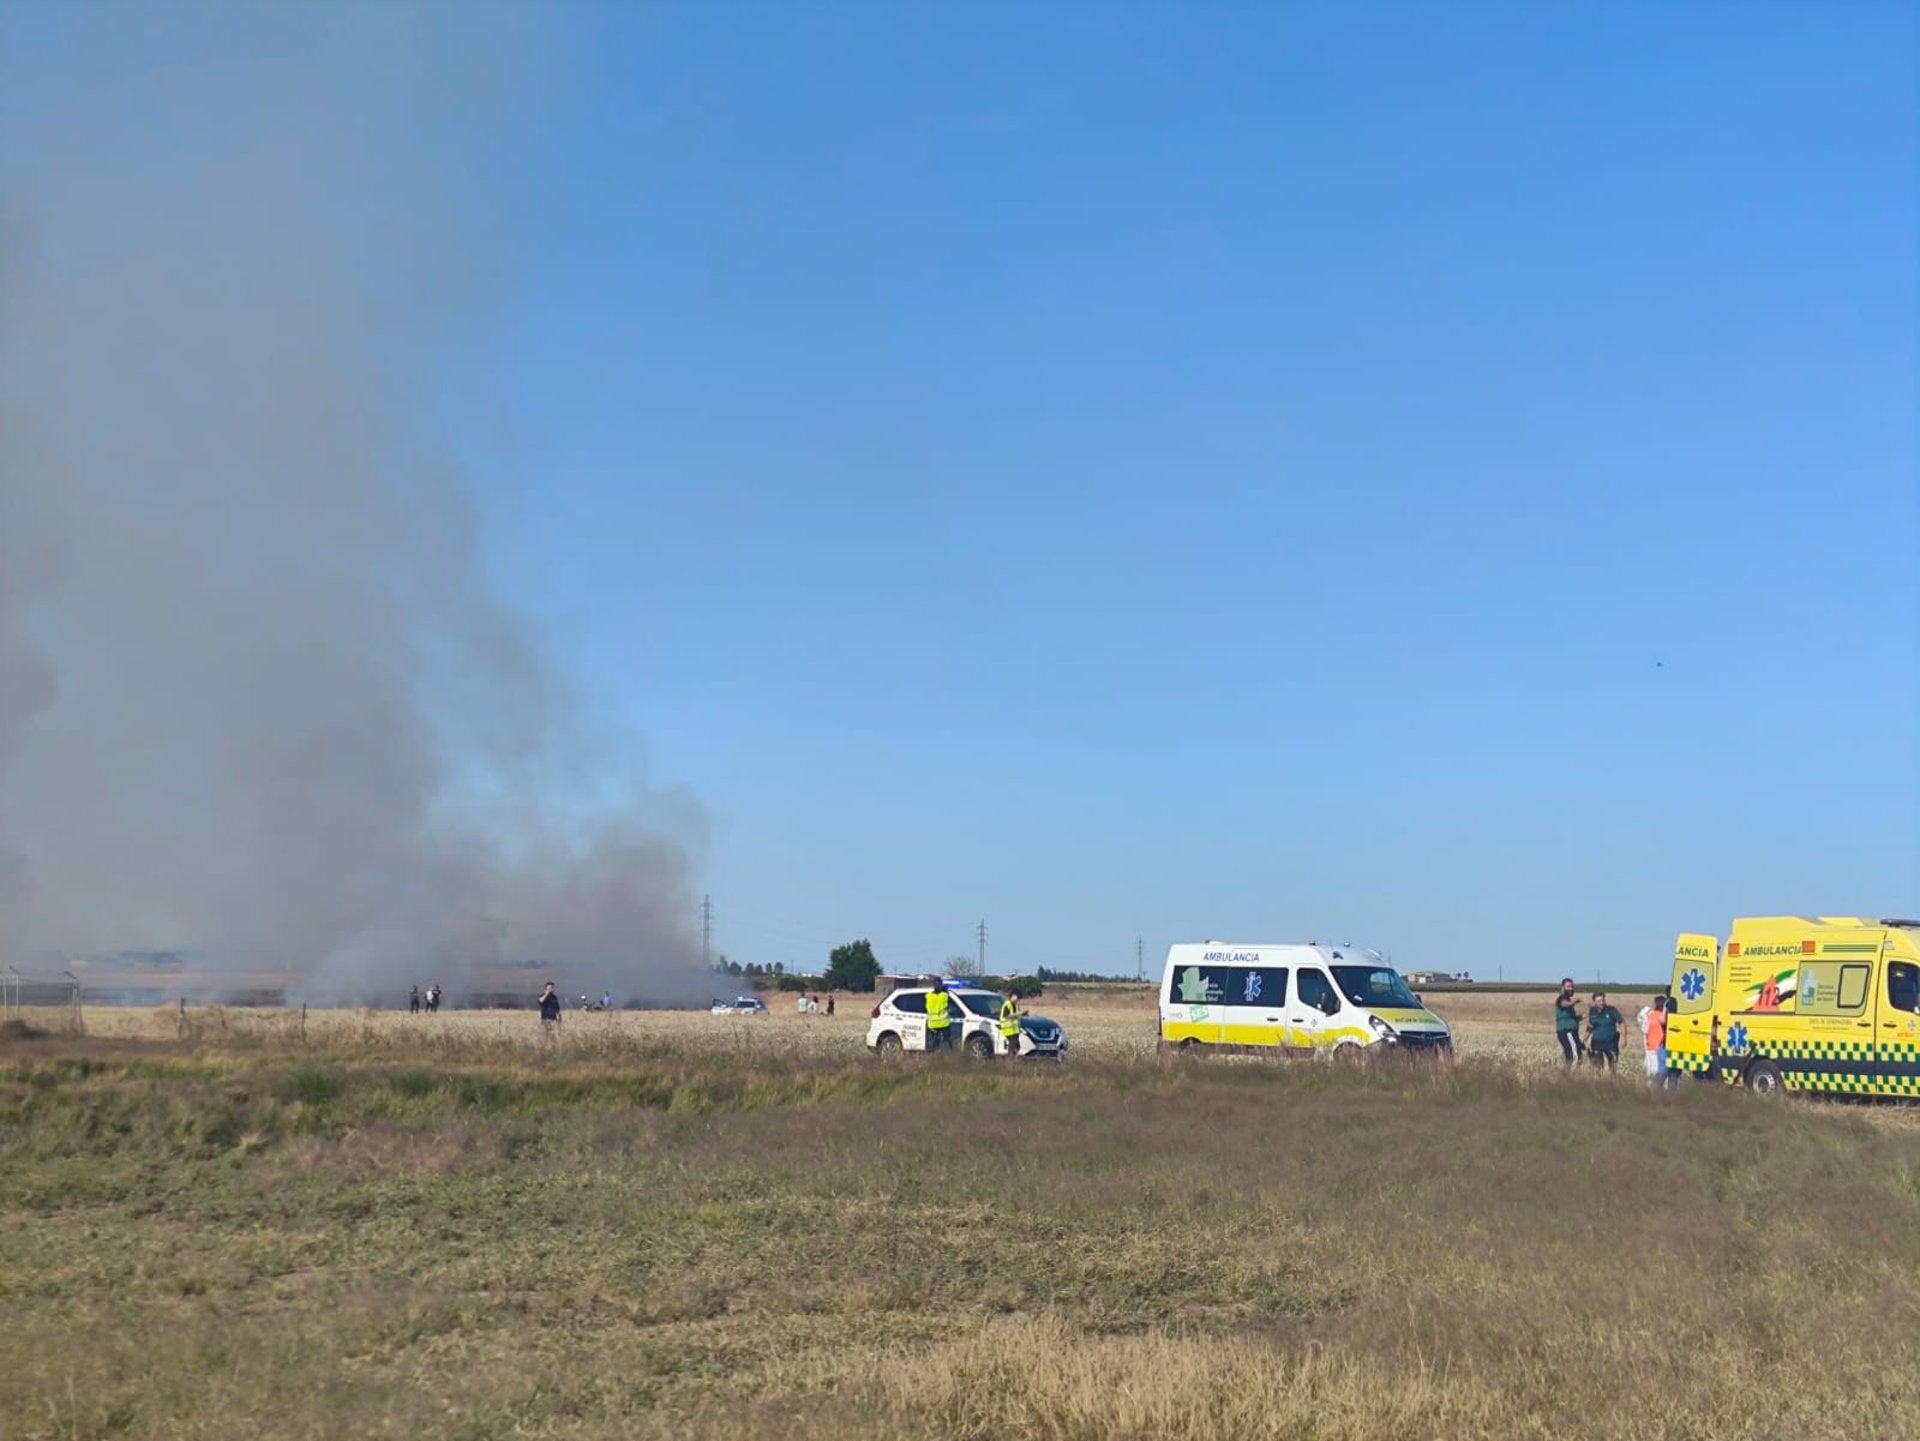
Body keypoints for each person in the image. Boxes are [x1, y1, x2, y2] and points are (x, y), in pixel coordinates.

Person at [1585, 991, 1623, 1071]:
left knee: (1613, 1063)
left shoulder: (1611, 1010)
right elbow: (1590, 1026)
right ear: (1594, 1002)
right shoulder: (1592, 1011)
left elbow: (1622, 1023)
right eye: (1599, 1001)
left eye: (1603, 1000)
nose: (1601, 1003)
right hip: (1596, 1042)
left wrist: (1624, 1038)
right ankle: (1599, 1082)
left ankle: (1612, 1081)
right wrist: (1584, 1039)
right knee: (1597, 1065)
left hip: (1611, 1042)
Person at [1638, 993, 1670, 1090]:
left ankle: (1654, 1093)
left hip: (1654, 1047)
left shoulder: (1650, 1015)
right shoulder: (1665, 1017)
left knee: (1654, 1073)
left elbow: (1643, 1027)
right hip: (1660, 1047)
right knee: (1661, 1073)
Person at [1554, 978, 1583, 1068]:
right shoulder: (1561, 998)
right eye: (1568, 986)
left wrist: (1583, 1016)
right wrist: (1575, 1001)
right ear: (1563, 987)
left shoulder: (1568, 1000)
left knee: (1576, 1055)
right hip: (1566, 1032)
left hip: (1572, 1032)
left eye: (1572, 986)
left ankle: (1568, 1076)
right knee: (1574, 1057)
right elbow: (1565, 1004)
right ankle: (1569, 1079)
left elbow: (1570, 1018)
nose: (1571, 988)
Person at [925, 983, 952, 1052]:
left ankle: (933, 1052)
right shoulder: (945, 996)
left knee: (933, 1043)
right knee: (946, 1042)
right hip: (943, 1023)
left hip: (932, 1024)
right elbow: (948, 1006)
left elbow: (926, 1008)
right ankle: (947, 1052)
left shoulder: (928, 996)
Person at [999, 991, 1021, 1058]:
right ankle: (1010, 1060)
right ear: (1013, 996)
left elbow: (1017, 1016)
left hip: (1015, 1030)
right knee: (1013, 1046)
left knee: (1017, 1046)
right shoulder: (1007, 1004)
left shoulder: (1016, 1005)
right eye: (1017, 997)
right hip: (1008, 1029)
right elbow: (1005, 1016)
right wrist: (1015, 1015)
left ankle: (1012, 1058)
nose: (1018, 1000)